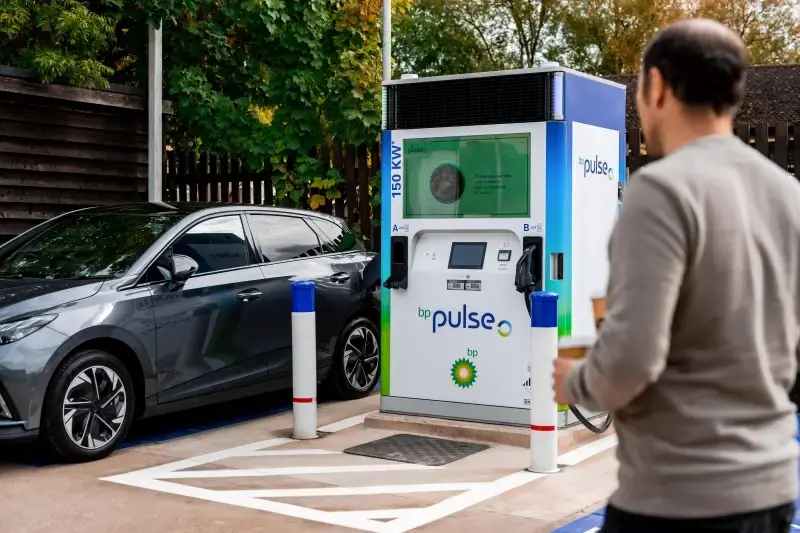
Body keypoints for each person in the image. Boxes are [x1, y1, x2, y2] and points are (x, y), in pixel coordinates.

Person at [552, 18, 800, 533]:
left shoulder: (660, 191)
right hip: (773, 488)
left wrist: (575, 381)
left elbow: (633, 358)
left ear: (657, 86)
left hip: (679, 497)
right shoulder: (786, 194)